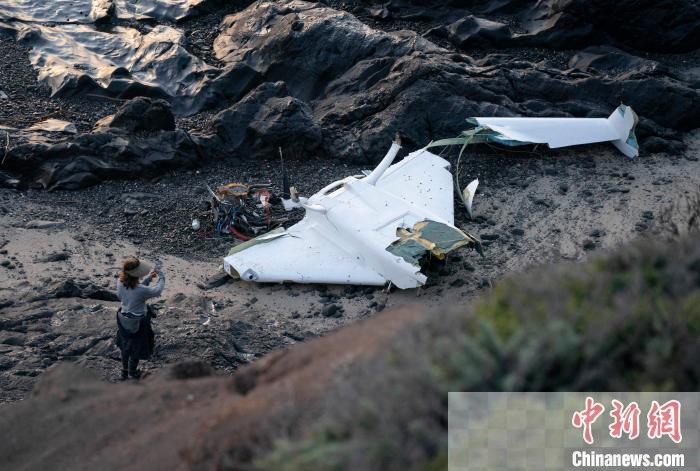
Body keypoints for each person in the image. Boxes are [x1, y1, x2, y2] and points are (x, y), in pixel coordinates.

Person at [115, 257, 165, 380]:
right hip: (138, 322)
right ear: (137, 274)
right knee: (135, 349)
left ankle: (124, 371)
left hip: (123, 319)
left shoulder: (120, 282)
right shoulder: (141, 290)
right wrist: (162, 277)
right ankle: (133, 372)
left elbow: (134, 291)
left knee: (125, 346)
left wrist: (148, 279)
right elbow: (157, 291)